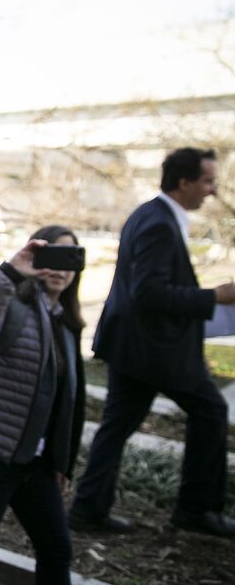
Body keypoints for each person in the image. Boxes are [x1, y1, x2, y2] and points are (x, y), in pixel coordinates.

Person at [70, 148, 235, 537]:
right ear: (184, 182)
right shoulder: (159, 222)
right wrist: (215, 296)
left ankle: (88, 509)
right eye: (208, 181)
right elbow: (149, 293)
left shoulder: (150, 214)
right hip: (152, 351)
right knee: (211, 410)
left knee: (116, 426)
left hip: (135, 347)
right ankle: (196, 510)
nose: (212, 190)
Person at [0, 226, 87, 585]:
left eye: (69, 259)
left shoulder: (66, 324)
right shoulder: (12, 304)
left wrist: (62, 461)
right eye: (52, 256)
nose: (60, 269)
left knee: (57, 549)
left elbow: (69, 402)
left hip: (36, 464)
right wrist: (9, 273)